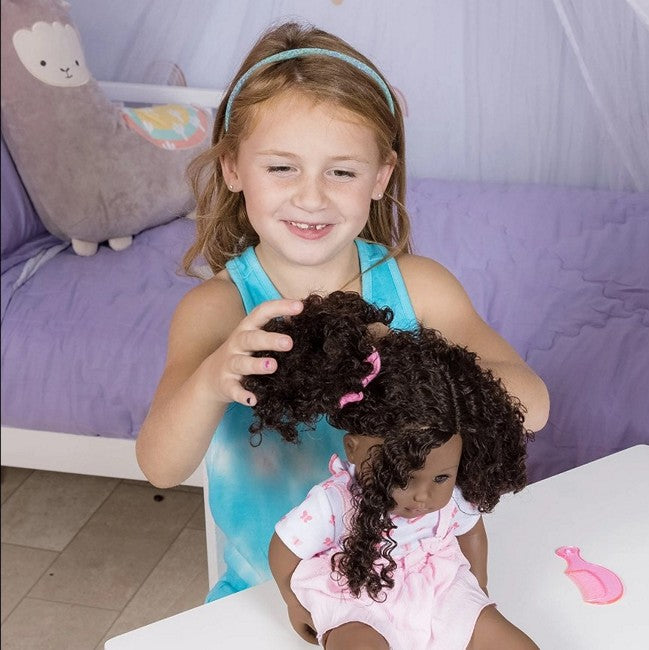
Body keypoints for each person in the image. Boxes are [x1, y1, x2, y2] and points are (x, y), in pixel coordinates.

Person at [135, 21, 550, 602]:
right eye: (282, 167)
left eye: (343, 171)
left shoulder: (419, 288)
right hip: (269, 597)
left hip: (416, 587)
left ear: (379, 177)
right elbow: (159, 467)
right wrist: (212, 380)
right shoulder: (217, 312)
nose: (311, 196)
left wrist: (409, 361)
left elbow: (532, 407)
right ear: (232, 168)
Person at [245, 291, 538, 649]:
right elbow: (284, 546)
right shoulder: (335, 503)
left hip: (438, 586)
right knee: (356, 641)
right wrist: (292, 601)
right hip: (356, 594)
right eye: (402, 476)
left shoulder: (453, 498)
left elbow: (472, 532)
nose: (422, 495)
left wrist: (477, 585)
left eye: (441, 477)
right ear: (353, 449)